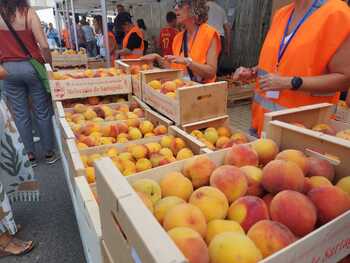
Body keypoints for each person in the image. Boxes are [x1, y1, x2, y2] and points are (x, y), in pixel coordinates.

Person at [233, 0, 350, 137]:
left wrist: (290, 82)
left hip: (302, 134)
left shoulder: (338, 14)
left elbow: (345, 78)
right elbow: (282, 61)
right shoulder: (282, 14)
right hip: (262, 126)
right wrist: (253, 71)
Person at [0, 0, 59, 165]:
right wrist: (48, 65)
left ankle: (29, 155)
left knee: (20, 114)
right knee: (42, 111)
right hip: (32, 66)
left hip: (8, 69)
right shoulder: (28, 13)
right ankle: (49, 153)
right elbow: (44, 45)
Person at [142, 0, 221, 83]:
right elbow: (174, 68)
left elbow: (211, 72)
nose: (176, 8)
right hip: (181, 90)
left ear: (194, 7)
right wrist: (157, 58)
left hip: (202, 93)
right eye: (175, 4)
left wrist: (188, 62)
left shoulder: (209, 34)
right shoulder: (178, 38)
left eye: (180, 4)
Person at [206, 0, 231, 74]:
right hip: (220, 38)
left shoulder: (203, 8)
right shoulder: (221, 10)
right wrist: (227, 47)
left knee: (205, 64)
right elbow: (227, 29)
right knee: (215, 65)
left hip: (207, 37)